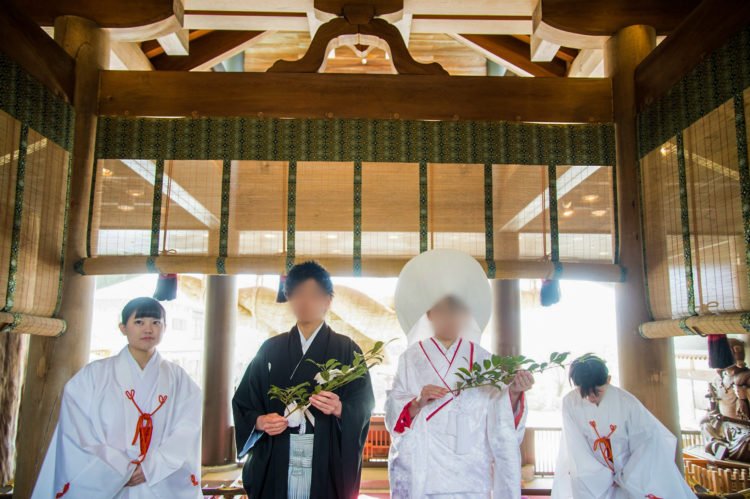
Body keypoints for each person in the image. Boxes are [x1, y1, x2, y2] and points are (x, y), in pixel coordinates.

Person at [385, 248, 534, 499]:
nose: (450, 318)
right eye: (442, 311)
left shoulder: (484, 360)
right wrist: (418, 402)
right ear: (430, 315)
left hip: (472, 466)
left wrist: (515, 393)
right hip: (427, 466)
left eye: (455, 311)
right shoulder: (411, 358)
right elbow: (394, 405)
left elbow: (499, 412)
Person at [31, 297, 202, 499]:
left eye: (156, 323)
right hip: (107, 479)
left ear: (164, 327)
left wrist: (152, 467)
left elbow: (187, 431)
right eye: (139, 322)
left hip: (159, 481)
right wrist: (120, 469)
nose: (148, 329)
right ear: (123, 327)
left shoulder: (180, 380)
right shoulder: (93, 376)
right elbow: (76, 431)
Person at [232, 261, 375, 499]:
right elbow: (244, 401)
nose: (305, 301)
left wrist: (341, 409)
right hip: (278, 454)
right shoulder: (270, 349)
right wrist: (259, 422)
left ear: (327, 300)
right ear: (289, 298)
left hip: (325, 458)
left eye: (313, 294)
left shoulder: (347, 350)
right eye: (298, 294)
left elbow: (364, 404)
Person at [552, 355, 696, 498]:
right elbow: (576, 446)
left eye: (597, 392)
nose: (591, 397)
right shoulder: (570, 403)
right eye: (584, 392)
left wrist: (625, 477)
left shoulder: (628, 403)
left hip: (629, 474)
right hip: (591, 479)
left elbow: (647, 443)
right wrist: (600, 477)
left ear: (608, 380)